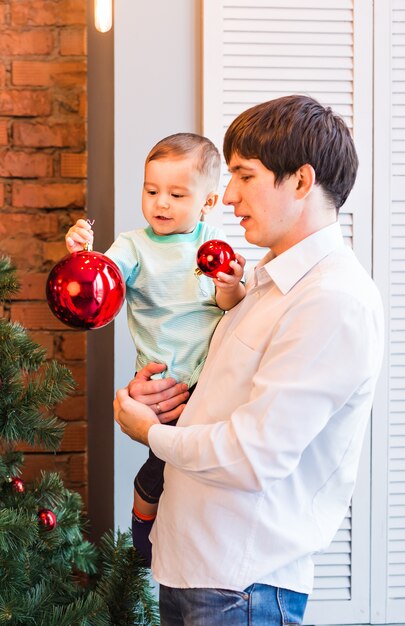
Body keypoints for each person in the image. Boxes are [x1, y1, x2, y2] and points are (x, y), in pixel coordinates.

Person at [113, 95, 384, 626]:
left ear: (301, 182)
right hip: (198, 568)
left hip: (241, 586)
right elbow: (213, 398)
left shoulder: (332, 300)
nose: (228, 195)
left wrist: (151, 434)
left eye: (244, 175)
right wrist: (157, 400)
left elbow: (254, 454)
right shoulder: (258, 285)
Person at [65, 132, 246, 566]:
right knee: (163, 462)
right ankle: (143, 526)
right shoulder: (133, 245)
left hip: (213, 378)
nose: (160, 204)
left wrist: (232, 285)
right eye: (151, 191)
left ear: (207, 202)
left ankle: (196, 542)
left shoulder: (212, 240)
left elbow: (230, 308)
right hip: (164, 383)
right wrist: (81, 254)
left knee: (204, 469)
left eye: (176, 194)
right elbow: (103, 280)